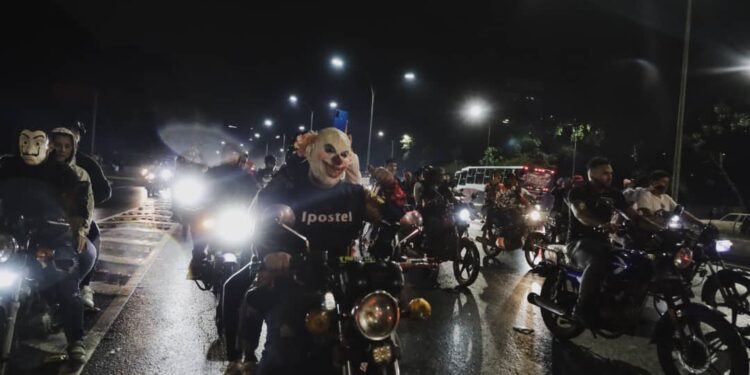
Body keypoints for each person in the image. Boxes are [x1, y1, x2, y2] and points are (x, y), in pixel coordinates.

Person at [221, 128, 400, 375]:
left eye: (344, 154)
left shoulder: (355, 194)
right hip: (292, 273)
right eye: (329, 150)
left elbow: (393, 218)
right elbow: (262, 218)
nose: (337, 160)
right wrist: (270, 253)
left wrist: (391, 188)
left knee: (376, 339)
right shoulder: (287, 184)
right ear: (309, 151)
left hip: (342, 278)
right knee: (241, 293)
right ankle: (242, 359)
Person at [0, 129, 95, 365]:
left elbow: (77, 203)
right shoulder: (7, 167)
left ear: (46, 146)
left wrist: (75, 226)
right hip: (14, 237)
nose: (29, 148)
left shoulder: (63, 173)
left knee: (66, 281)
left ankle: (75, 339)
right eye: (24, 141)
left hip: (52, 237)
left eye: (36, 142)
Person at [567, 157, 657, 328]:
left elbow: (635, 216)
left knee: (638, 261)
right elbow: (581, 215)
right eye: (605, 173)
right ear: (592, 174)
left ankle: (626, 306)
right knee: (598, 261)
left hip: (603, 243)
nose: (609, 176)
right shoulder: (578, 192)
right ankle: (581, 309)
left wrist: (660, 230)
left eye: (611, 173)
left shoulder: (614, 194)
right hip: (578, 243)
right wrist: (601, 224)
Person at [188, 143, 260, 279]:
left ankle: (247, 270)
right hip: (213, 214)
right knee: (198, 226)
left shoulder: (246, 177)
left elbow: (256, 194)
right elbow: (200, 190)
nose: (231, 157)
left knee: (251, 239)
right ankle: (197, 258)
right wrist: (199, 202)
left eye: (234, 154)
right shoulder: (212, 173)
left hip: (235, 215)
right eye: (229, 154)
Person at [50, 127, 99, 310]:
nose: (62, 149)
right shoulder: (41, 169)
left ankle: (73, 295)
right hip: (40, 230)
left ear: (73, 148)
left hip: (66, 230)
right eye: (58, 145)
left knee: (87, 253)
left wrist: (80, 231)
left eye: (67, 146)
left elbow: (86, 206)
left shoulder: (81, 174)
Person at [629, 170, 702, 226]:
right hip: (648, 232)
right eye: (663, 182)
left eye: (667, 183)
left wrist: (701, 224)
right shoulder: (645, 193)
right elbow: (646, 213)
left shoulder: (666, 198)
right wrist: (662, 220)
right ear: (653, 182)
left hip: (665, 231)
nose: (665, 185)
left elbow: (681, 212)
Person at [65, 122, 112, 205]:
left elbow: (104, 192)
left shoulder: (88, 164)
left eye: (74, 134)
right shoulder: (45, 162)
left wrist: (82, 201)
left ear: (78, 138)